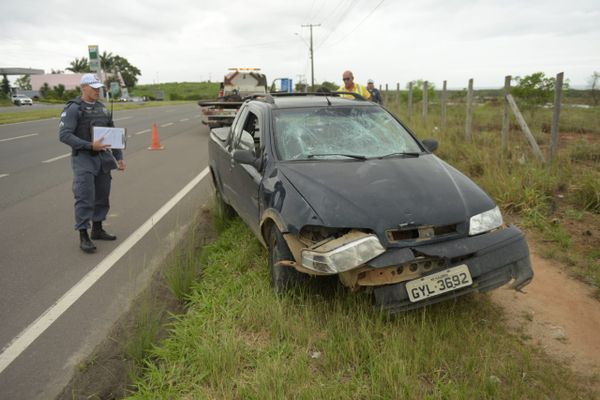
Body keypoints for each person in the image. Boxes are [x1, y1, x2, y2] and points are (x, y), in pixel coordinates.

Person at [59, 73, 126, 253]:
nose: (97, 91)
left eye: (99, 88)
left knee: (102, 195)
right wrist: (89, 145)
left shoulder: (102, 109)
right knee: (84, 196)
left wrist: (119, 157)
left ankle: (97, 229)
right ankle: (83, 235)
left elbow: (112, 135)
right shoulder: (74, 109)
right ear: (84, 87)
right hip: (83, 158)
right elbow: (64, 135)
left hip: (103, 158)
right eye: (94, 87)